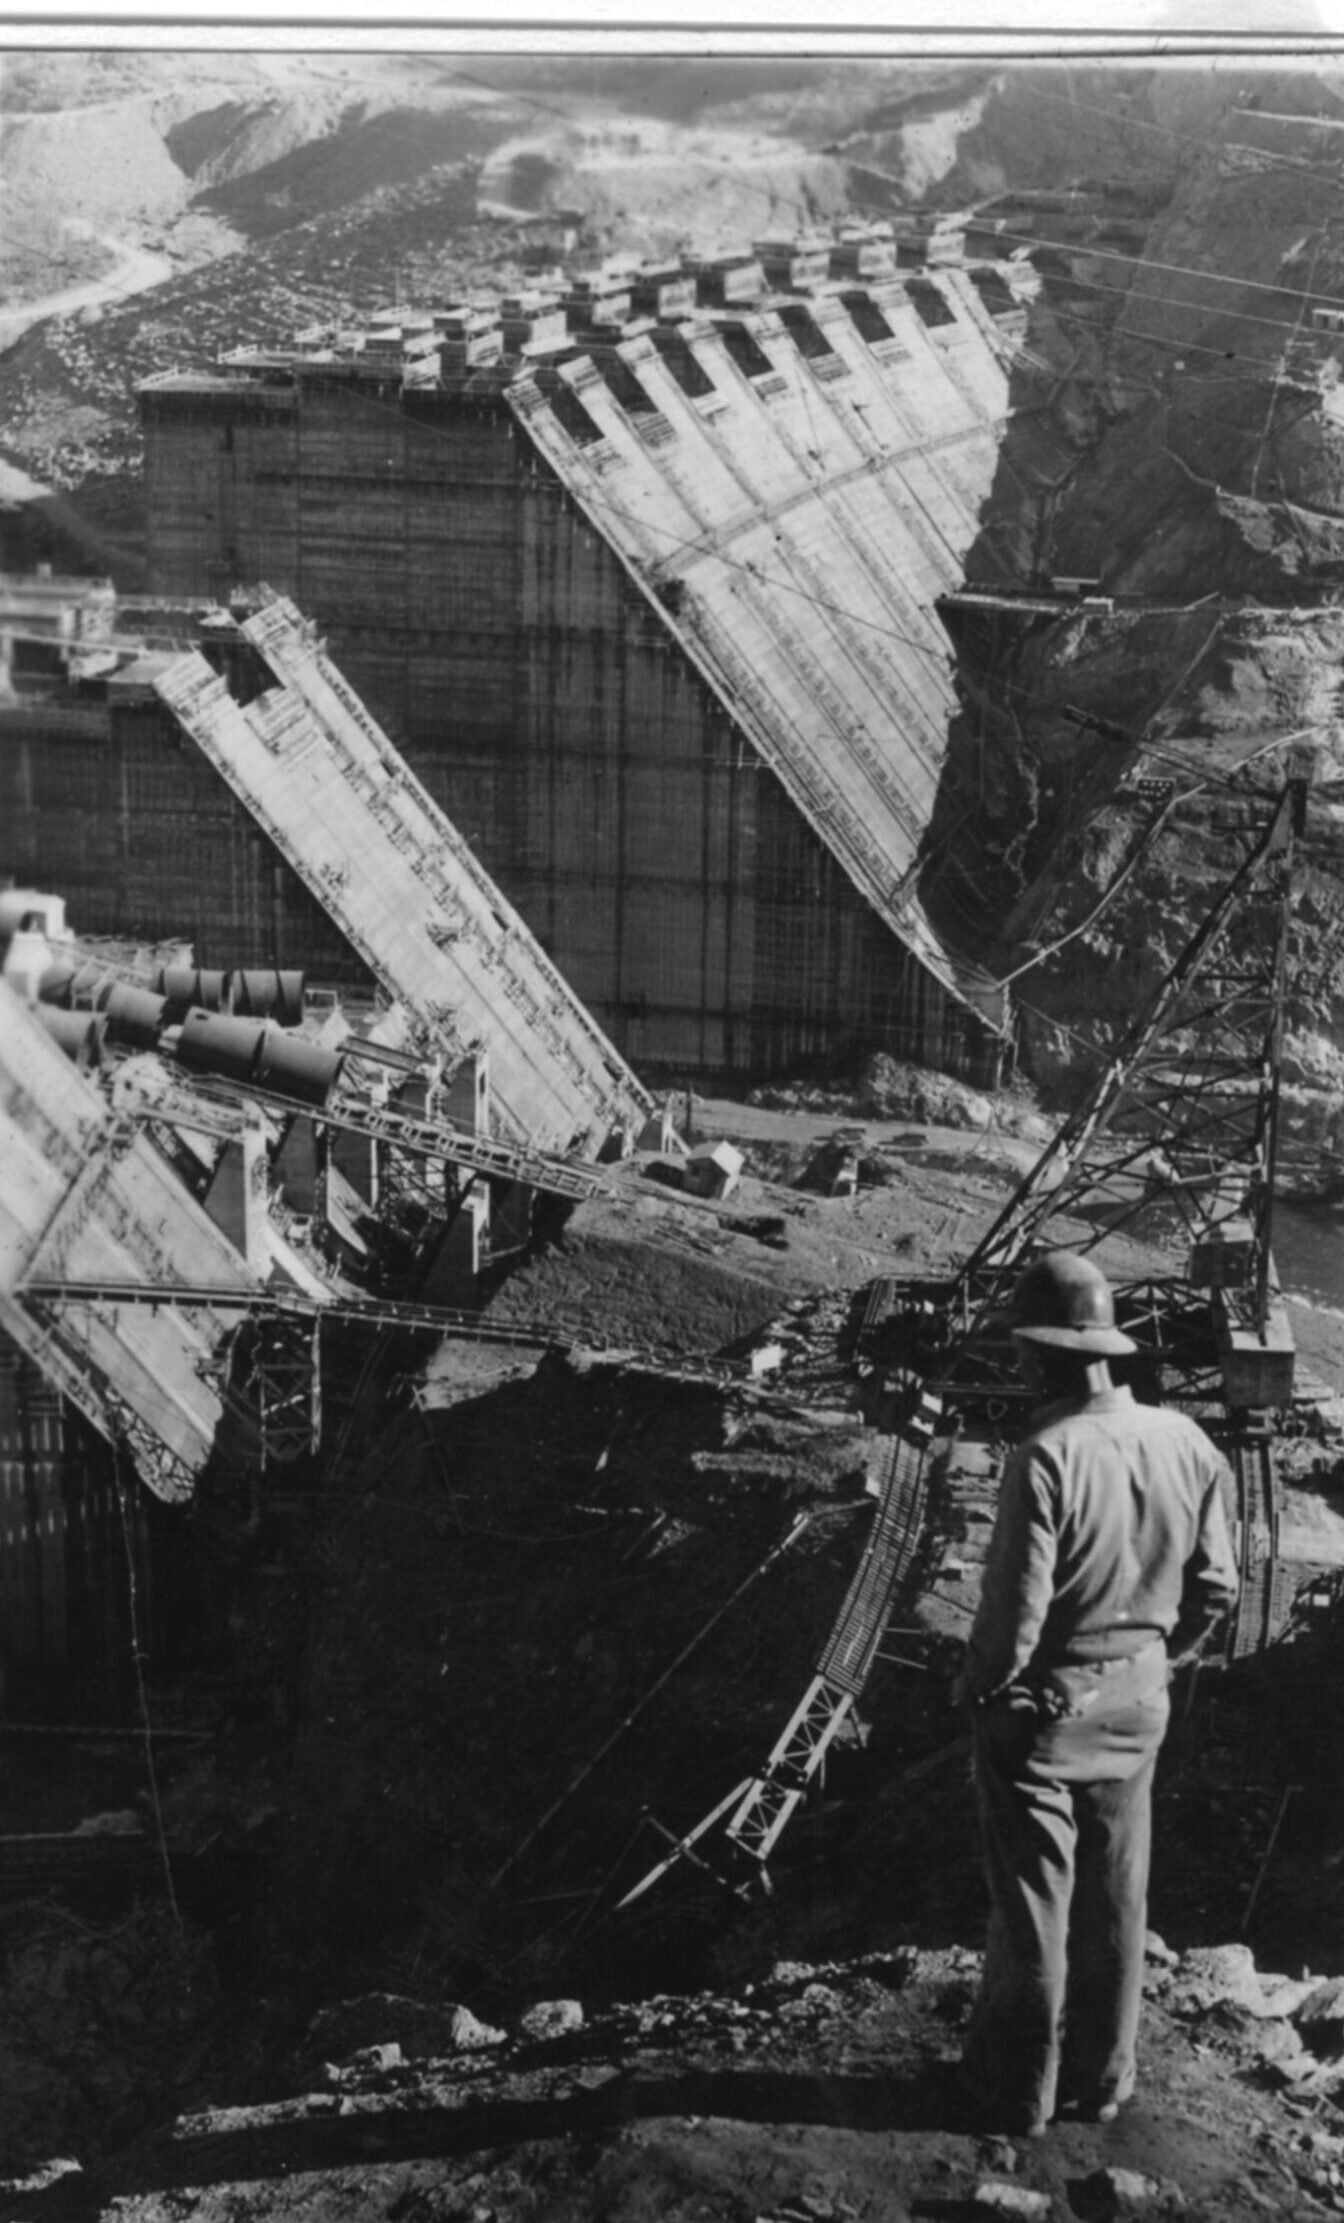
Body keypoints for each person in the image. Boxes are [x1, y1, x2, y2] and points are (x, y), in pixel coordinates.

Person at [954, 1249, 1239, 2137]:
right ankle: (1102, 2080)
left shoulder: (1045, 1455)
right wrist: (1154, 1662)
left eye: (1022, 1348)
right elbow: (1217, 1588)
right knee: (1118, 1895)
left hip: (1044, 1716)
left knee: (1035, 1902)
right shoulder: (1187, 1441)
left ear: (1044, 1353)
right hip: (1139, 1706)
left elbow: (1015, 1620)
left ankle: (1017, 2093)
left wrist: (979, 1690)